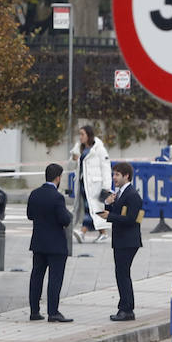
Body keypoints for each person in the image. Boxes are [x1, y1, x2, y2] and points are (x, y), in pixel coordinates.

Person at [27, 163, 74, 323]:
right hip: (56, 244)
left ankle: (34, 311)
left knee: (36, 276)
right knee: (55, 278)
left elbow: (30, 215)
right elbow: (65, 219)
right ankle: (53, 312)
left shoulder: (35, 194)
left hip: (38, 242)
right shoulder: (57, 197)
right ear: (58, 178)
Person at [99, 161, 143, 321]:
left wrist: (109, 216)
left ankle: (127, 310)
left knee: (123, 274)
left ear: (127, 176)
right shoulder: (120, 193)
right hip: (121, 240)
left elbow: (131, 219)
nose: (114, 177)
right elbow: (119, 212)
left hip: (128, 241)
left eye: (117, 174)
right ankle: (124, 308)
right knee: (121, 274)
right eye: (113, 174)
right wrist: (108, 205)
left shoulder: (132, 195)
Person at [71, 125, 112, 243]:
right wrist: (74, 158)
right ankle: (103, 233)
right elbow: (73, 165)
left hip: (95, 185)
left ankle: (82, 232)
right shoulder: (79, 148)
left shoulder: (99, 149)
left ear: (89, 135)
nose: (80, 137)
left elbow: (105, 168)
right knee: (91, 209)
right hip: (83, 184)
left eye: (82, 134)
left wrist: (106, 187)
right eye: (79, 134)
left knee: (92, 208)